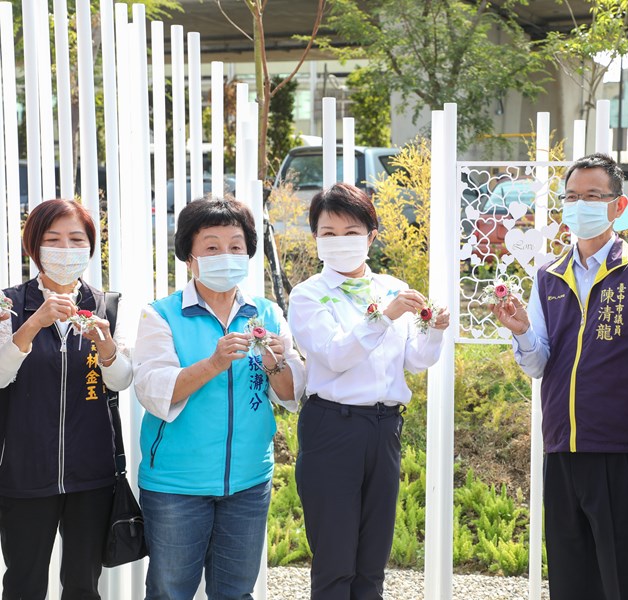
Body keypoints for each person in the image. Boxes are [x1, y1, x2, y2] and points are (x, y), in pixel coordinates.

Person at [491, 153, 628, 600]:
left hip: (626, 451)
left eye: (593, 196)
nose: (581, 205)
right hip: (562, 451)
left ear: (618, 205)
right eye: (572, 197)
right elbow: (539, 364)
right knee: (572, 583)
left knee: (625, 584)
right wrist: (521, 333)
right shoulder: (547, 276)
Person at [132, 195, 305, 600]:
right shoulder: (161, 315)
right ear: (189, 257)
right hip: (176, 486)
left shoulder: (266, 314)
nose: (225, 255)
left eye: (235, 246)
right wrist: (213, 363)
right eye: (211, 246)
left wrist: (276, 362)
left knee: (236, 593)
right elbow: (154, 390)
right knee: (170, 592)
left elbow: (291, 393)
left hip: (248, 482)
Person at [288, 183, 448, 600]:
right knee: (336, 561)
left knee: (373, 559)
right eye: (329, 233)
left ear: (371, 236)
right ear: (316, 239)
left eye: (351, 232)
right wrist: (385, 316)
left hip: (385, 427)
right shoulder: (308, 295)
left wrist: (434, 330)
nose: (340, 242)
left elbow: (414, 361)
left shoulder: (391, 286)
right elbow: (335, 355)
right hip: (333, 428)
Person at [0, 198, 133, 599]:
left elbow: (123, 380)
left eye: (77, 240)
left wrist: (107, 347)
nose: (65, 250)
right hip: (25, 472)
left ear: (91, 248)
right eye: (53, 239)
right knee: (23, 584)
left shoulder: (104, 304)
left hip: (92, 474)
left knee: (82, 585)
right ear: (34, 247)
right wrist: (34, 323)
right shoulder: (9, 304)